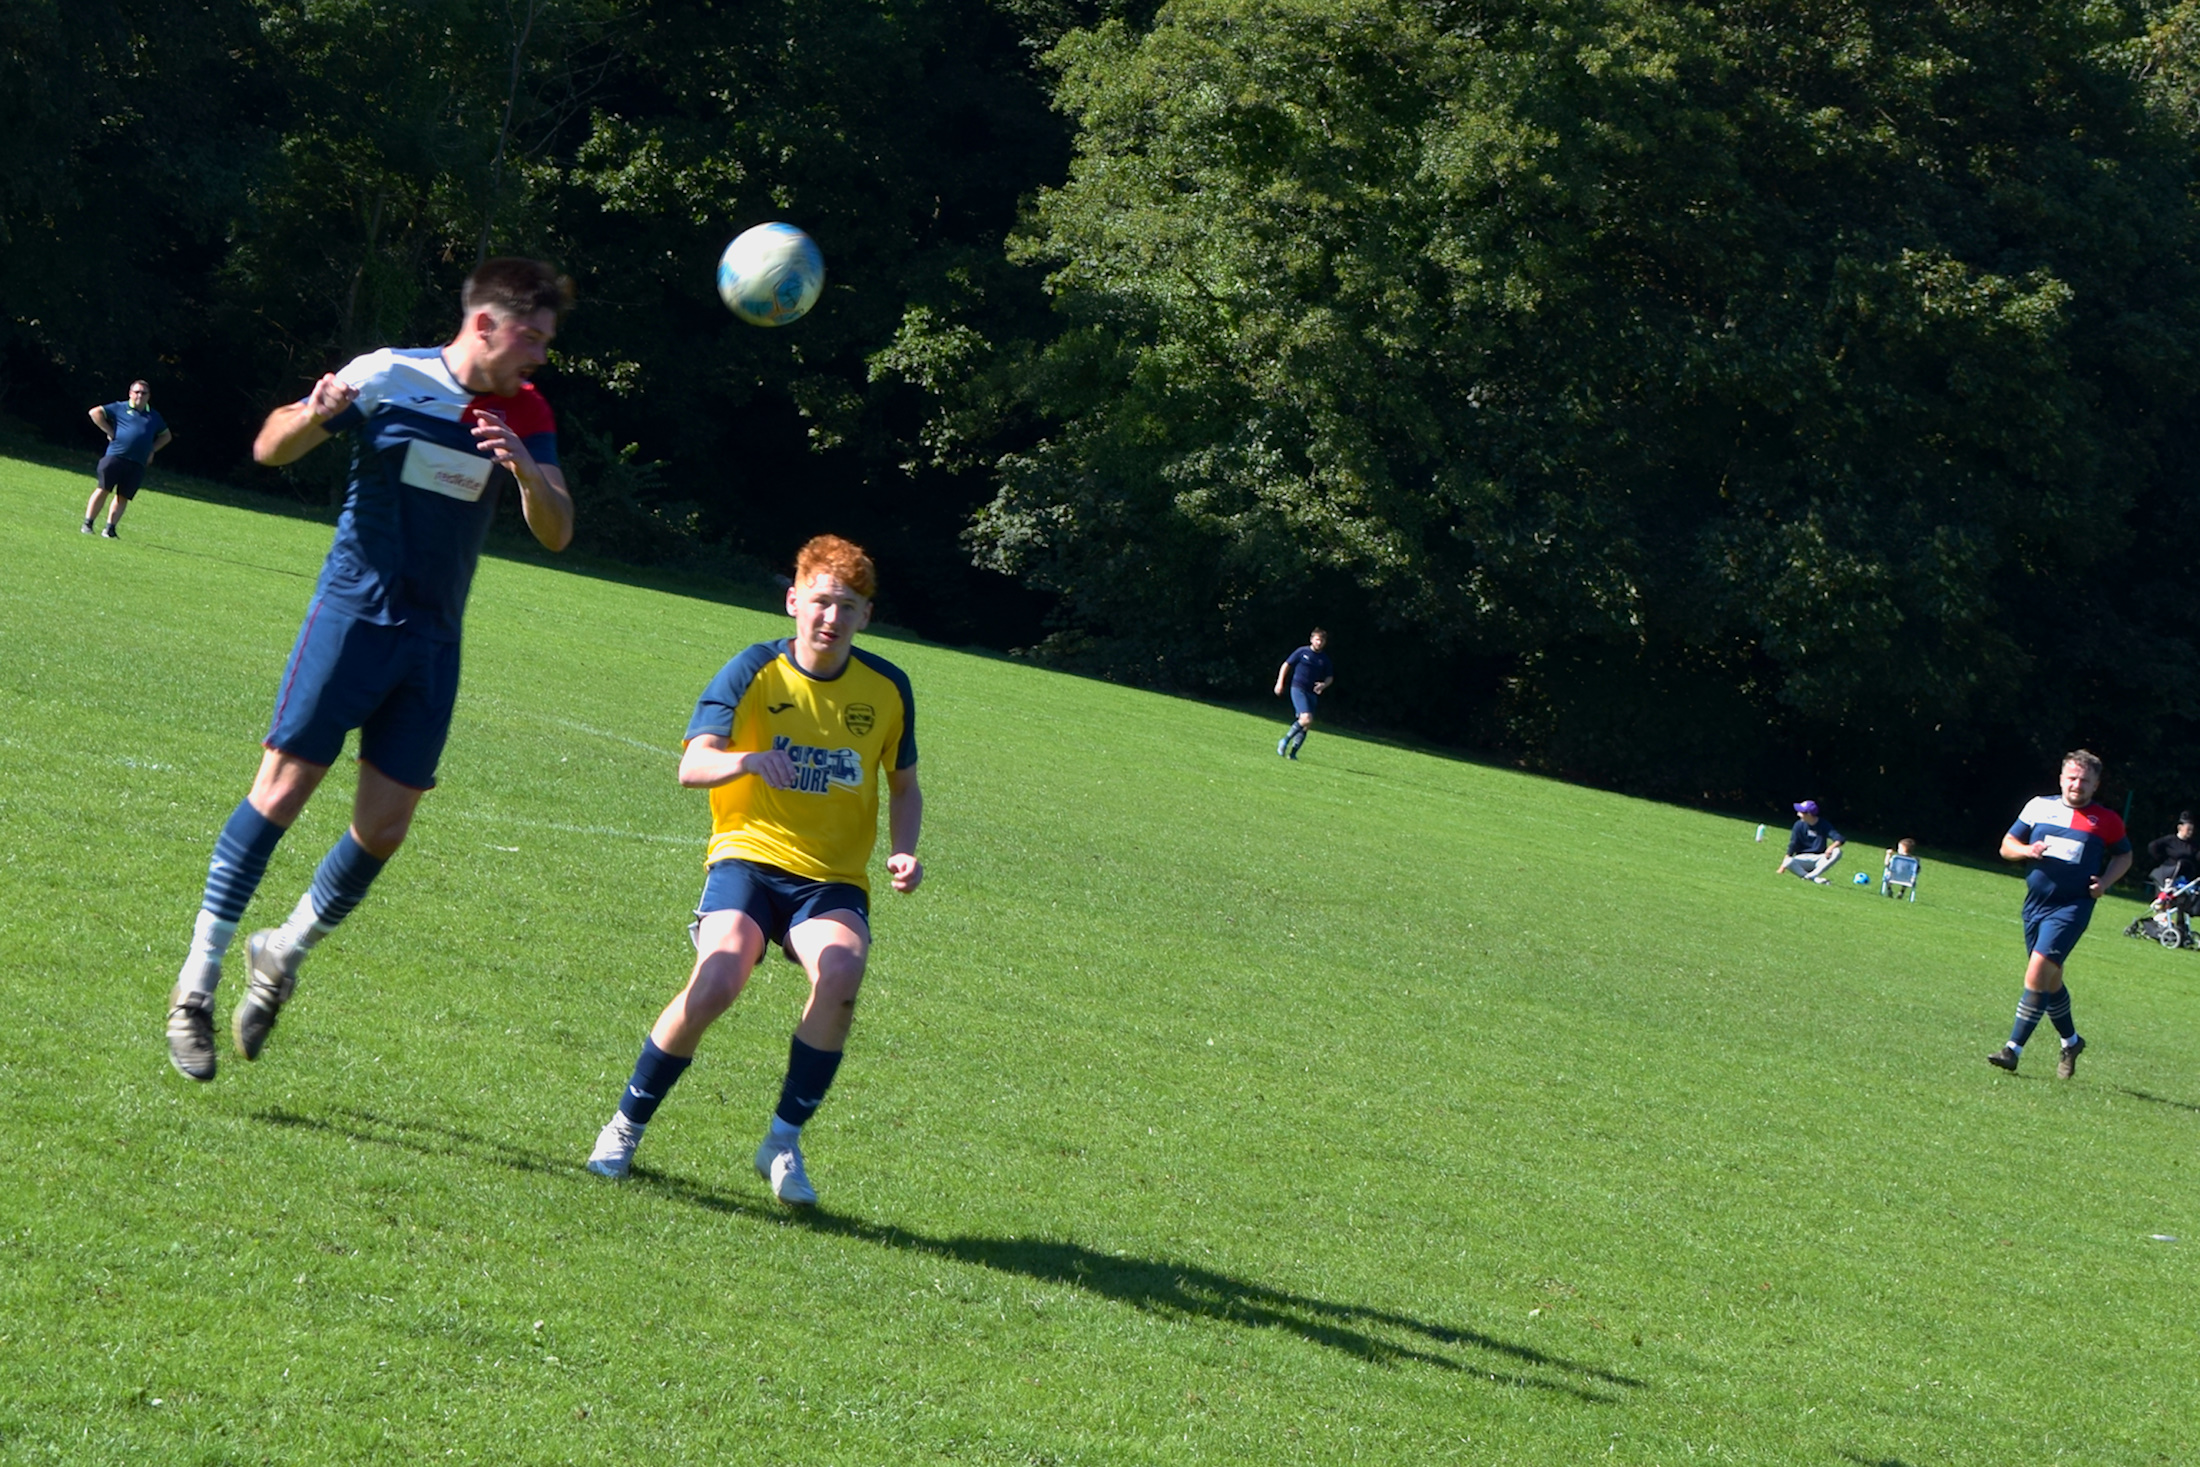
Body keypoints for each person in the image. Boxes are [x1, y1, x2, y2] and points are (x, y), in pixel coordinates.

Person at [163, 257, 576, 1082]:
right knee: (279, 793)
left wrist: (526, 472)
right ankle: (194, 987)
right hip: (352, 619)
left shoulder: (526, 410)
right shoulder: (389, 374)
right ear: (484, 323)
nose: (540, 354)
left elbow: (558, 528)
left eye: (547, 339)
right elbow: (270, 447)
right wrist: (316, 414)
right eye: (531, 335)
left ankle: (281, 951)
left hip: (433, 641)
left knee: (384, 829)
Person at [584, 535, 922, 1206]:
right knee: (715, 980)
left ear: (866, 616)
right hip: (748, 856)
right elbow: (691, 765)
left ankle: (783, 1139)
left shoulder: (886, 688)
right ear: (794, 600)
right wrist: (746, 760)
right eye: (821, 601)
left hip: (830, 880)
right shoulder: (751, 670)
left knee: (843, 974)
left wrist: (906, 848)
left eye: (847, 606)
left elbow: (905, 785)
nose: (831, 617)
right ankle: (625, 1125)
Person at [1988, 750, 2131, 1078]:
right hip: (2035, 905)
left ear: (2095, 785)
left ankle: (2013, 1049)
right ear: (2061, 778)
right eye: (2072, 777)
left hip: (2072, 906)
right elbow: (2006, 845)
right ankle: (2072, 1041)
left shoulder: (2106, 820)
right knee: (2050, 981)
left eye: (2085, 780)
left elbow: (2125, 856)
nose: (2077, 785)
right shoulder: (2039, 806)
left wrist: (2106, 881)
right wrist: (2027, 850)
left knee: (2037, 972)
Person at [84, 380, 172, 537]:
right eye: (137, 392)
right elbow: (95, 412)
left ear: (148, 396)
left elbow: (166, 436)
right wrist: (110, 431)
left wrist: (152, 449)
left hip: (137, 463)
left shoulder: (154, 416)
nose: (140, 395)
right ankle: (88, 524)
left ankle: (110, 529)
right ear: (130, 393)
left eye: (143, 393)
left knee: (123, 496)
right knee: (103, 489)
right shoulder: (120, 407)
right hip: (115, 456)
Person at [1273, 628, 1334, 759]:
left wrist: (1324, 685)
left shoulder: (1324, 659)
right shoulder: (1302, 652)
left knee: (1306, 724)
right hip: (1298, 688)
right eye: (1317, 639)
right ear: (1312, 639)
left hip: (1312, 692)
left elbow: (1330, 677)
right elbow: (1286, 665)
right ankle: (1284, 741)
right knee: (1306, 718)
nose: (1319, 642)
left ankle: (1293, 753)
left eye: (1322, 640)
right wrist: (1280, 682)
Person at [1775, 800, 1844, 883]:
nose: (1798, 814)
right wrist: (1782, 868)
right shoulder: (1798, 825)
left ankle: (1811, 876)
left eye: (1801, 812)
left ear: (1809, 814)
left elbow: (1840, 838)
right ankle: (1813, 878)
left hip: (1820, 858)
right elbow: (1793, 845)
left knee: (1837, 851)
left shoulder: (1823, 824)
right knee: (1788, 861)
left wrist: (1831, 847)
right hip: (1802, 859)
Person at [2145, 812, 2199, 889]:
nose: (2191, 832)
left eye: (2192, 830)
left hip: (2186, 875)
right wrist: (2162, 860)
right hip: (2170, 873)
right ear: (2180, 828)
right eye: (2188, 829)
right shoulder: (2170, 840)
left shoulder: (2193, 845)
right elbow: (2152, 846)